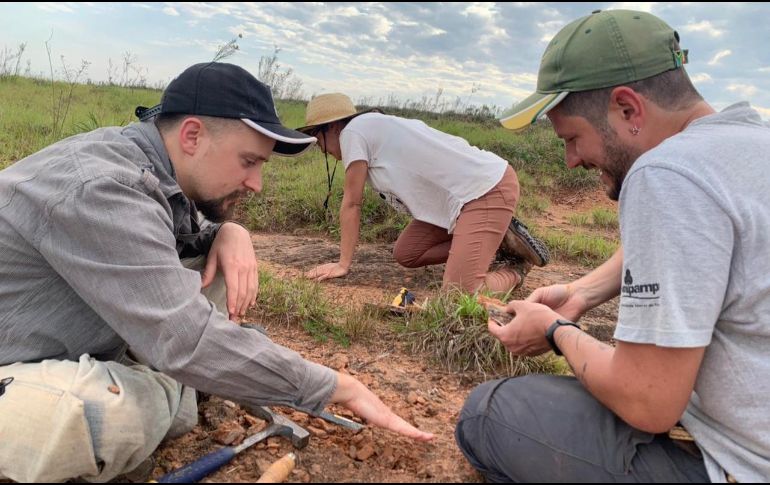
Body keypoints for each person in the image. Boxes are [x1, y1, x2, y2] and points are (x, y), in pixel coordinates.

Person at [0, 62, 432, 483]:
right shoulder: (103, 186)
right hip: (13, 355)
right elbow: (186, 338)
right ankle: (170, 390)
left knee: (215, 267)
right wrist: (333, 386)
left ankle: (177, 380)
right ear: (192, 135)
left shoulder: (152, 167)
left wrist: (228, 230)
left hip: (63, 334)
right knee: (114, 416)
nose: (257, 183)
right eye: (248, 161)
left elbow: (174, 232)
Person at [456, 9, 769, 483]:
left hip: (745, 465)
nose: (570, 159)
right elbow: (698, 246)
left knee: (490, 415)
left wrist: (556, 331)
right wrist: (582, 293)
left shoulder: (666, 174)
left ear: (627, 109)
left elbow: (647, 400)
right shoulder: (745, 146)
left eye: (574, 138)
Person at [298, 93, 549, 295]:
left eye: (318, 141)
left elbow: (352, 203)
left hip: (485, 189)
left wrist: (343, 264)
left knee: (459, 293)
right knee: (407, 253)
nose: (323, 150)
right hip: (461, 201)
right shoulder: (371, 127)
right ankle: (497, 242)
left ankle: (515, 269)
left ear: (332, 127)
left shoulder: (353, 132)